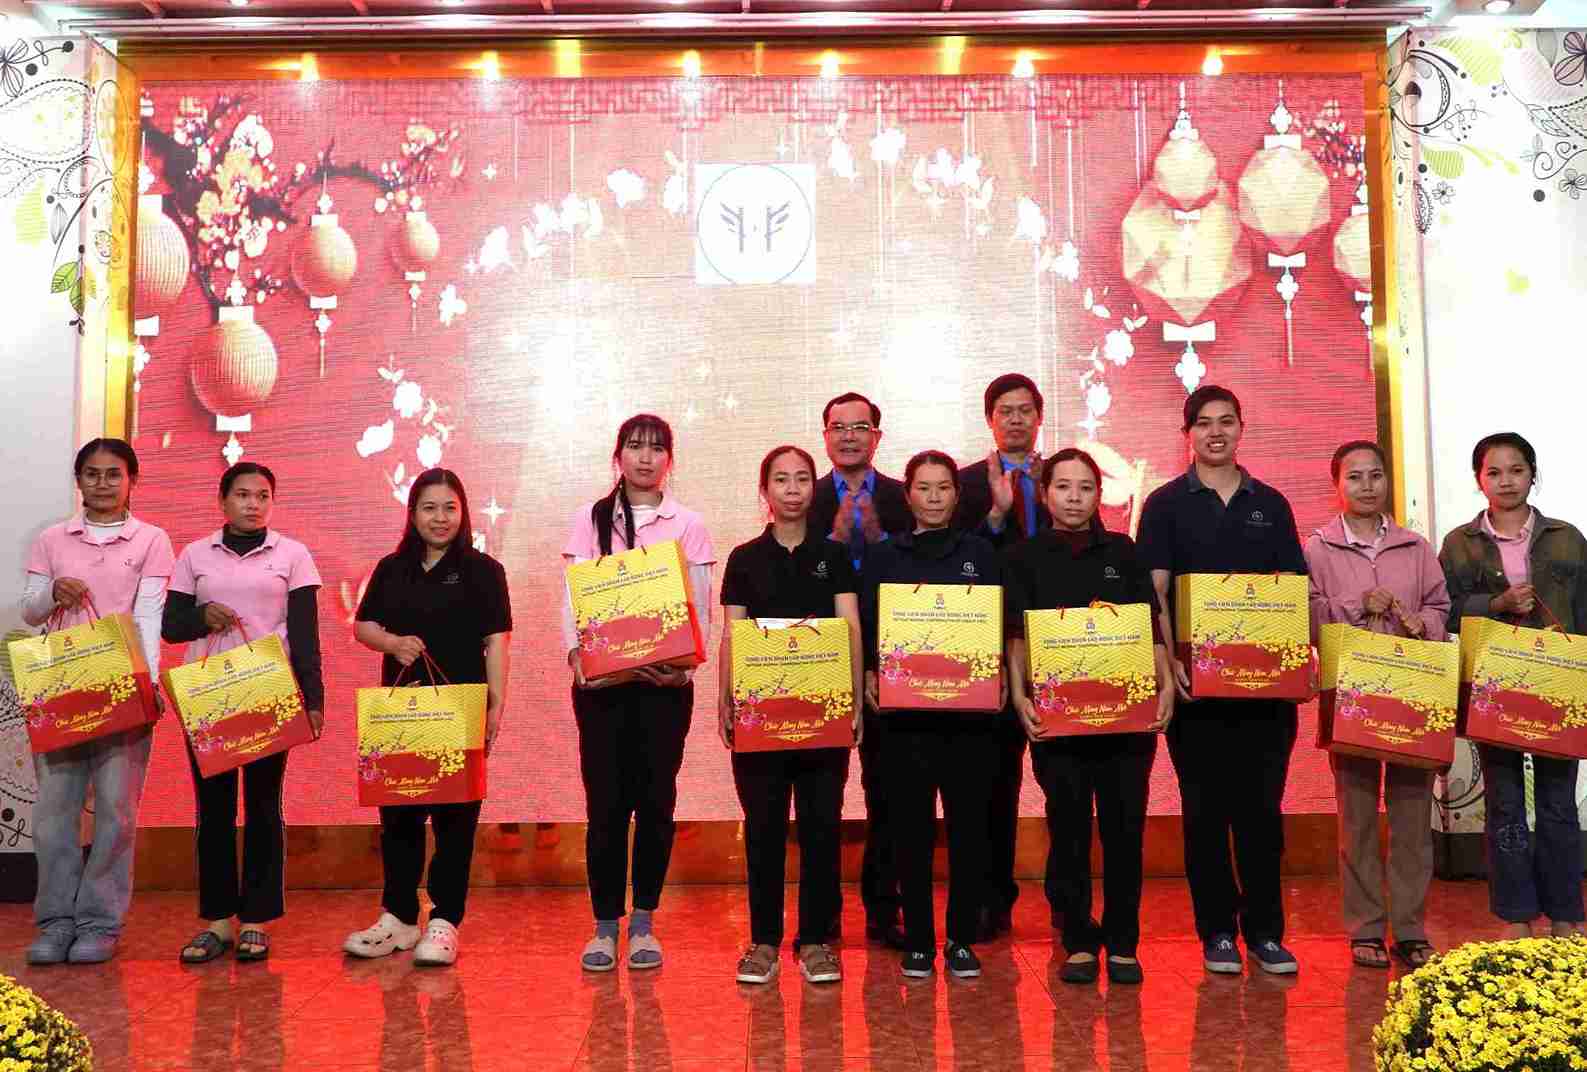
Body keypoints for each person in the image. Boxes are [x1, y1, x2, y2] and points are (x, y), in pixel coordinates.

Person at [1136, 385, 1309, 976]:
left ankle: (1265, 932)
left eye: (1227, 422)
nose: (1216, 432)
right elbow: (1154, 594)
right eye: (1204, 423)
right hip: (1196, 692)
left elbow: (1292, 590)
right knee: (1205, 812)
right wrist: (1167, 661)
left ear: (1241, 429)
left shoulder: (1272, 503)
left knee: (1262, 812)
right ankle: (1215, 931)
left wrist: (1298, 657)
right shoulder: (1164, 504)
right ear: (1187, 433)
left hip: (1266, 693)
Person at [1005, 449, 1174, 986]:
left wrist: (1166, 683)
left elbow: (1149, 629)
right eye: (1063, 487)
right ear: (1045, 494)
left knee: (1126, 830)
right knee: (1069, 827)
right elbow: (1015, 639)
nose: (1074, 498)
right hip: (1057, 723)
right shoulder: (1024, 557)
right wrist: (1019, 696)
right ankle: (1078, 939)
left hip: (1126, 722)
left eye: (1085, 488)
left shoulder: (1123, 552)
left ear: (1099, 496)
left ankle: (1123, 942)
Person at [562, 414, 714, 972]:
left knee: (655, 803)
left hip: (664, 691)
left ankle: (644, 922)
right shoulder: (590, 519)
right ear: (618, 455)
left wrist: (686, 668)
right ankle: (604, 926)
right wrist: (579, 658)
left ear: (670, 460)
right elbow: (572, 600)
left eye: (656, 449)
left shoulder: (688, 523)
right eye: (634, 447)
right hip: (602, 691)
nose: (645, 458)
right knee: (605, 806)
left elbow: (698, 604)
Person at [345, 468, 512, 968]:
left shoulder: (484, 570)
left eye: (450, 508)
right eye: (429, 508)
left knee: (456, 818)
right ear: (413, 513)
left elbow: (497, 641)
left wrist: (496, 705)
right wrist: (391, 643)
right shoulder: (392, 568)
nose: (440, 518)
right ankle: (397, 916)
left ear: (463, 513)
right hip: (400, 711)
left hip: (459, 709)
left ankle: (444, 920)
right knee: (398, 814)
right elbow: (363, 625)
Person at [163, 462, 324, 964]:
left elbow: (305, 633)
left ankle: (255, 919)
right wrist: (201, 616)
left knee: (261, 806)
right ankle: (216, 923)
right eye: (242, 495)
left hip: (267, 689)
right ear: (223, 501)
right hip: (209, 694)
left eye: (262, 496)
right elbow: (171, 625)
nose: (253, 504)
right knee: (212, 810)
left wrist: (313, 699)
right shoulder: (194, 554)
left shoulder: (293, 555)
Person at [20, 439, 174, 965]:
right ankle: (56, 922)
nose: (103, 484)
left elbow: (150, 615)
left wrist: (150, 682)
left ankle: (100, 924)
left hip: (123, 689)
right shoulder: (51, 540)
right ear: (78, 480)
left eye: (114, 474)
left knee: (117, 813)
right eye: (92, 474)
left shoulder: (152, 540)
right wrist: (51, 594)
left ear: (133, 481)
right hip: (63, 687)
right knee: (53, 814)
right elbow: (30, 612)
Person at [720, 445, 864, 985]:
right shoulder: (744, 558)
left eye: (802, 478)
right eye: (781, 480)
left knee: (822, 828)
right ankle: (762, 941)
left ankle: (816, 942)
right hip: (760, 717)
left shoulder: (835, 555)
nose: (792, 489)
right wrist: (725, 699)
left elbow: (849, 626)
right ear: (766, 492)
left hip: (822, 716)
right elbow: (734, 635)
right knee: (763, 828)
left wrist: (851, 700)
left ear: (813, 489)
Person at [1306, 441, 1451, 969]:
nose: (1367, 487)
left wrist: (1423, 624)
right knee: (1358, 818)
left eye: (1375, 476)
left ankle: (1410, 928)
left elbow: (1441, 607)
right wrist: (1352, 606)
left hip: (1411, 694)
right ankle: (1365, 928)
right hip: (1349, 694)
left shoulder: (1415, 546)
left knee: (1413, 816)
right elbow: (1305, 616)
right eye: (1354, 478)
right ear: (1336, 485)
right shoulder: (1318, 548)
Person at [861, 450, 1004, 980]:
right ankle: (919, 939)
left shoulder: (981, 553)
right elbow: (871, 634)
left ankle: (962, 938)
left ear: (956, 494)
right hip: (903, 722)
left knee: (969, 830)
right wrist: (872, 674)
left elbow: (994, 625)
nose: (935, 497)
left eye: (944, 488)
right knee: (910, 831)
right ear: (908, 496)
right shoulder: (882, 558)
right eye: (924, 488)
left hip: (969, 721)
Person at [1439, 432, 1587, 939]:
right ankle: (1515, 914)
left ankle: (1567, 913)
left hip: (1556, 683)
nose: (1506, 481)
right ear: (1479, 479)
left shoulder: (1567, 537)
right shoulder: (1459, 542)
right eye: (1494, 472)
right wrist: (1494, 606)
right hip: (1493, 685)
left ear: (1532, 474)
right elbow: (1447, 610)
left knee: (1558, 801)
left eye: (1516, 470)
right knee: (1503, 802)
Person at [807, 391, 910, 950]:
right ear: (825, 437)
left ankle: (883, 909)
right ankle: (819, 919)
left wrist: (874, 539)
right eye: (838, 427)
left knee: (886, 790)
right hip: (817, 658)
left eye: (860, 426)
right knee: (821, 794)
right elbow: (796, 575)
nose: (849, 436)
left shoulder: (902, 497)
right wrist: (832, 539)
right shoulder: (804, 495)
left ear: (877, 436)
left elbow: (918, 569)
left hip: (893, 657)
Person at [953, 372, 1052, 941]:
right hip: (986, 650)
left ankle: (1062, 901)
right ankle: (989, 897)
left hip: (1057, 647)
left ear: (1038, 418)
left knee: (1060, 781)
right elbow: (957, 555)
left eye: (1025, 411)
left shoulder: (1063, 474)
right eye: (1004, 411)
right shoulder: (965, 484)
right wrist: (994, 514)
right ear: (989, 420)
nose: (1015, 420)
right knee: (991, 782)